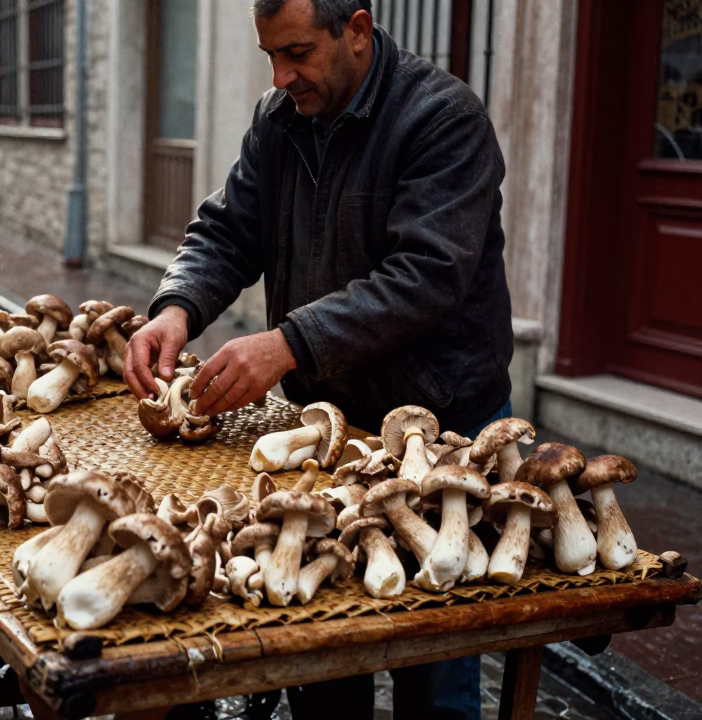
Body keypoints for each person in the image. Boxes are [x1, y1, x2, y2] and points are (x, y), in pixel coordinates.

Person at [123, 1, 510, 718]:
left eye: (297, 52)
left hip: (440, 430)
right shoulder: (281, 120)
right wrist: (176, 306)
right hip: (327, 433)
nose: (281, 75)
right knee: (320, 646)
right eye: (270, 54)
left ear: (356, 30)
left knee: (434, 662)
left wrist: (288, 345)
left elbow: (426, 275)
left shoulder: (442, 119)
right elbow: (229, 228)